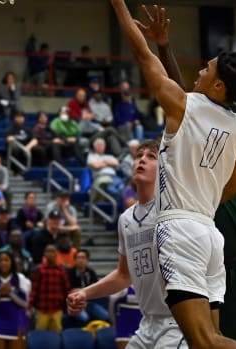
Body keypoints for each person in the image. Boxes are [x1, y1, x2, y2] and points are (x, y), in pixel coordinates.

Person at [112, 3, 236, 348]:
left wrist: (117, 4)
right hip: (210, 235)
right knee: (213, 339)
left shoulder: (182, 104)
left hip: (179, 229)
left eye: (207, 69)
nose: (200, 72)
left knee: (202, 342)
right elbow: (232, 188)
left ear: (218, 86)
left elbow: (139, 51)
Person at [68, 139, 189, 348]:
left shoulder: (172, 210)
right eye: (138, 156)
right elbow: (124, 275)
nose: (141, 160)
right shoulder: (125, 219)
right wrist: (85, 293)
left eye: (151, 157)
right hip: (147, 323)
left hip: (176, 321)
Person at [27, 244, 70, 333]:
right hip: (42, 309)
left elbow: (66, 289)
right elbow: (34, 290)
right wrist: (29, 306)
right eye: (48, 251)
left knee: (56, 335)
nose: (50, 254)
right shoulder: (39, 270)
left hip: (57, 309)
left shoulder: (61, 270)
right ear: (44, 254)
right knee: (40, 334)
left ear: (56, 254)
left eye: (52, 251)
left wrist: (68, 304)